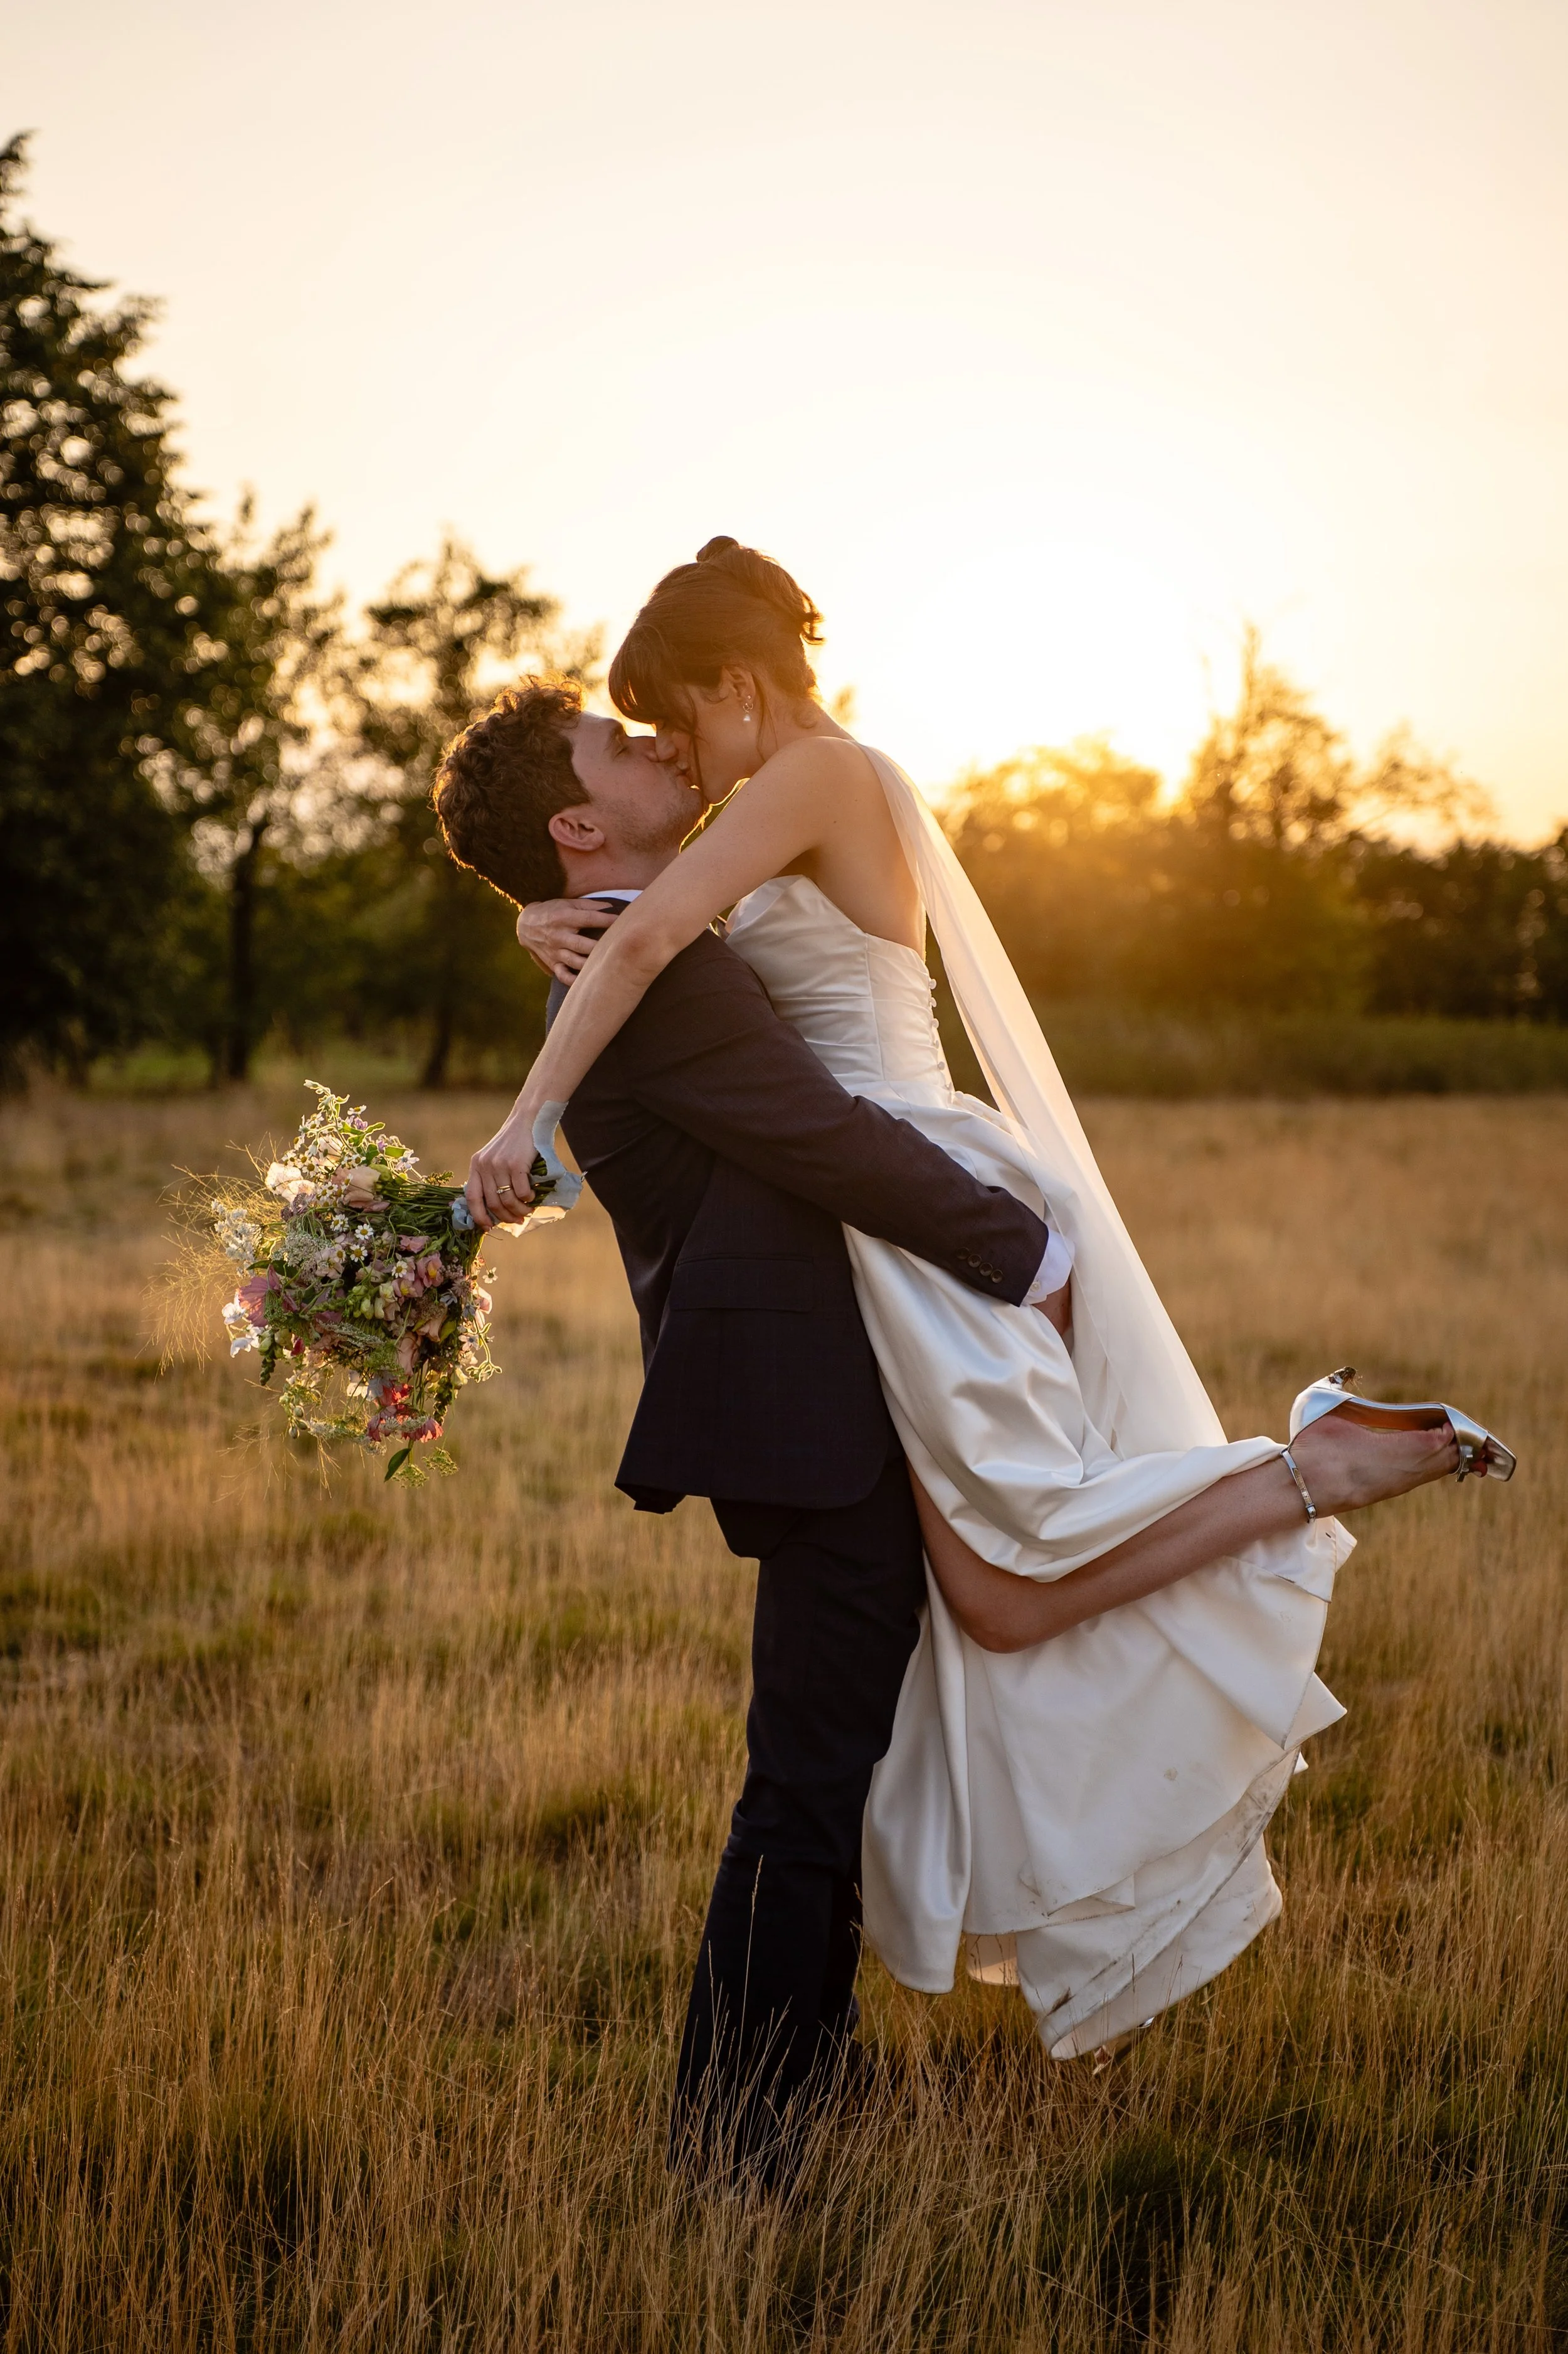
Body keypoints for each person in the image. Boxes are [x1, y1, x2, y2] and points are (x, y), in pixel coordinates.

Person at [467, 539, 1510, 2069]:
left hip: (915, 1198)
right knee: (1001, 1592)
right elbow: (639, 940)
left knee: (1001, 1564)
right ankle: (1303, 1464)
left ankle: (1310, 1465)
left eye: (666, 722)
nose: (665, 752)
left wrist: (522, 1118)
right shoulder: (752, 823)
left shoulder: (809, 784)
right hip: (888, 1219)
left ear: (737, 685)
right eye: (629, 744)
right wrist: (535, 929)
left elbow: (652, 949)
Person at [432, 677, 1066, 2185]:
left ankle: (806, 2074)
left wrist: (543, 916)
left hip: (808, 1391)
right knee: (804, 1769)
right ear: (579, 823)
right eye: (612, 741)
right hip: (807, 1406)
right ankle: (735, 2136)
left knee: (827, 1750)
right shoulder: (652, 974)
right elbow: (818, 1135)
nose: (654, 741)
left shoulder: (628, 949)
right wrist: (1020, 1252)